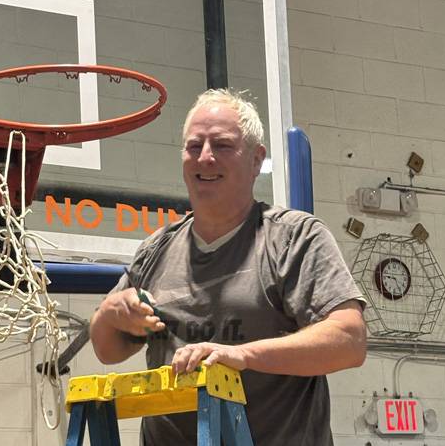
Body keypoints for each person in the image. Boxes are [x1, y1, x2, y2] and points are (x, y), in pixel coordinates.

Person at [89, 89, 367, 445]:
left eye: (221, 146)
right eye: (194, 147)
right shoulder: (155, 249)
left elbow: (350, 340)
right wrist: (110, 314)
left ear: (256, 160)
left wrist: (242, 355)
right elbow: (107, 350)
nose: (205, 158)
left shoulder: (293, 238)